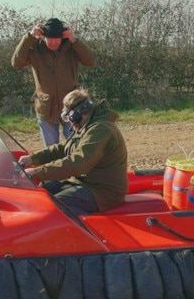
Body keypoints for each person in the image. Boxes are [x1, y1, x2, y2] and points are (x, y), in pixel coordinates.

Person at [18, 89, 128, 213]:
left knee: (53, 206)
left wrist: (37, 171)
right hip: (84, 183)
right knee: (42, 190)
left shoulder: (101, 129)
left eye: (68, 117)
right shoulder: (88, 125)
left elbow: (78, 162)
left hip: (103, 192)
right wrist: (32, 158)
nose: (69, 121)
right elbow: (63, 148)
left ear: (77, 114)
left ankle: (76, 230)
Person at [11, 18, 97, 146]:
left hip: (72, 106)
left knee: (76, 147)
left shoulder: (72, 47)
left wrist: (75, 40)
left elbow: (91, 61)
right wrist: (29, 37)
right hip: (46, 107)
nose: (52, 42)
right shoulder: (35, 48)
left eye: (56, 39)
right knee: (51, 151)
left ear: (62, 37)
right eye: (49, 39)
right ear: (43, 36)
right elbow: (16, 62)